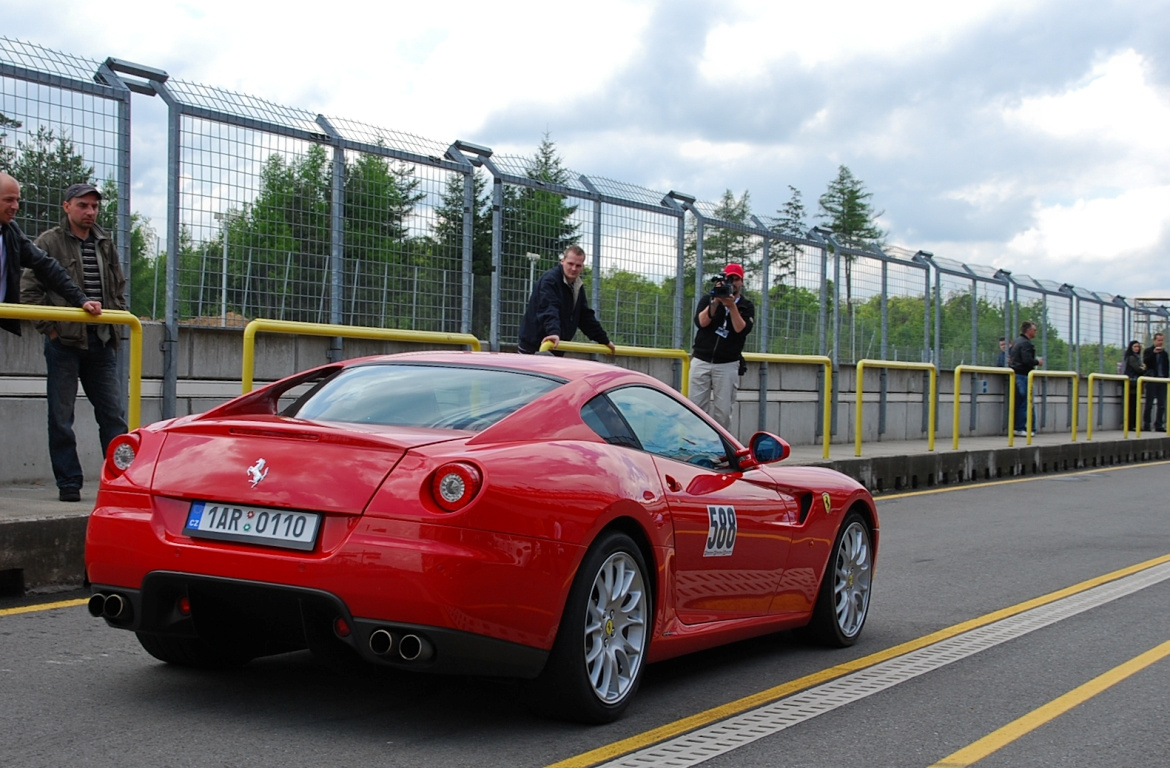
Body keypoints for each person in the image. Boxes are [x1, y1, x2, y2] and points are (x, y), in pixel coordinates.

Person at [21, 182, 127, 502]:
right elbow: (29, 292)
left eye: (94, 207)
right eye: (83, 205)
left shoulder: (105, 243)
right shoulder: (48, 242)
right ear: (67, 206)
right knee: (61, 417)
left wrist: (114, 326)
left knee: (113, 416)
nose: (90, 212)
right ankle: (69, 483)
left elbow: (118, 290)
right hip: (64, 343)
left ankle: (122, 481)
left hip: (101, 342)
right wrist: (51, 329)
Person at [0, 172, 101, 337]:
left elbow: (46, 266)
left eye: (17, 200)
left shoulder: (10, 232)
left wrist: (81, 299)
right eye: (9, 200)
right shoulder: (49, 239)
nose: (15, 206)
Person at [688, 262, 755, 430]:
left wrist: (732, 306)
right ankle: (697, 446)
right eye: (728, 279)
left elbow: (741, 329)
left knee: (723, 412)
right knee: (696, 408)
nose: (732, 283)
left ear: (741, 282)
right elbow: (701, 322)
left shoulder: (746, 306)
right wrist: (716, 300)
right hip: (702, 360)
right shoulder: (708, 299)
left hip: (727, 364)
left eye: (736, 279)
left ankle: (721, 449)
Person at [517, 245, 615, 356]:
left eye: (578, 265)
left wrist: (604, 340)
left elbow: (585, 317)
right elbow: (549, 308)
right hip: (535, 344)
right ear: (562, 261)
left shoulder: (577, 285)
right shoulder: (550, 280)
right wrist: (553, 332)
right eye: (570, 264)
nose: (573, 269)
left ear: (582, 267)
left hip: (556, 345)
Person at [1008, 321, 1043, 437]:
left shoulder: (1017, 342)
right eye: (1034, 329)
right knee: (1025, 402)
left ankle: (1018, 427)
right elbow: (1027, 360)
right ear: (1029, 330)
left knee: (1019, 402)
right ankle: (1021, 428)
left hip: (1016, 374)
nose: (1035, 332)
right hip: (1023, 375)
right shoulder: (1026, 344)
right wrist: (1037, 362)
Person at [1142, 332, 1168, 433]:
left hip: (1162, 380)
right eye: (1158, 340)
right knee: (1149, 403)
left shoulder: (1164, 354)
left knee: (1161, 404)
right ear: (1154, 340)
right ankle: (1147, 424)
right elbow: (1146, 362)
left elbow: (1166, 366)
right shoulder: (1148, 351)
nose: (1160, 342)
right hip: (1152, 380)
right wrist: (1154, 353)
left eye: (1162, 340)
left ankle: (1159, 424)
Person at [1122, 340, 1144, 431]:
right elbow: (1138, 370)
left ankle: (1133, 424)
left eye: (1138, 347)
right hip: (1131, 384)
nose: (1137, 348)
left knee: (1134, 405)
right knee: (1131, 405)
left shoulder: (1137, 358)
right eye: (1135, 347)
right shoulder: (1131, 358)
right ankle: (1130, 425)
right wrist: (1143, 369)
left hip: (1135, 384)